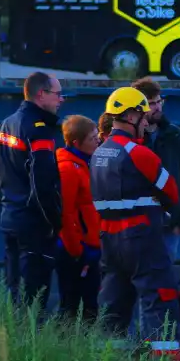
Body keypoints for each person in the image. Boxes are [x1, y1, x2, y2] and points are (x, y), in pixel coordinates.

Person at [91, 87, 180, 361]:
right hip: (142, 239)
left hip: (109, 241)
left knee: (113, 307)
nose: (146, 122)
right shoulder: (140, 154)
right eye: (142, 116)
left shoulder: (97, 154)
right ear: (130, 116)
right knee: (160, 298)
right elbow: (173, 194)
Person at [0, 71, 64, 313]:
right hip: (33, 224)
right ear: (40, 94)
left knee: (14, 290)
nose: (61, 100)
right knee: (33, 298)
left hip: (10, 218)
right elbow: (43, 184)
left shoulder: (7, 124)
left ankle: (13, 345)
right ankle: (31, 346)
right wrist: (56, 222)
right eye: (57, 94)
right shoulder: (39, 131)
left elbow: (1, 176)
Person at [131, 77, 180, 263]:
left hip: (169, 223)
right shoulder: (130, 138)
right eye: (151, 104)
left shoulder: (174, 134)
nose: (158, 107)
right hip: (138, 223)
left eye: (159, 101)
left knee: (164, 278)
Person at [55, 115, 102, 322]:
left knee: (90, 303)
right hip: (77, 250)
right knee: (73, 305)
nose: (97, 141)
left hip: (90, 247)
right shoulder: (68, 169)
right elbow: (66, 213)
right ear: (76, 142)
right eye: (92, 138)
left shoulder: (84, 163)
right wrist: (77, 251)